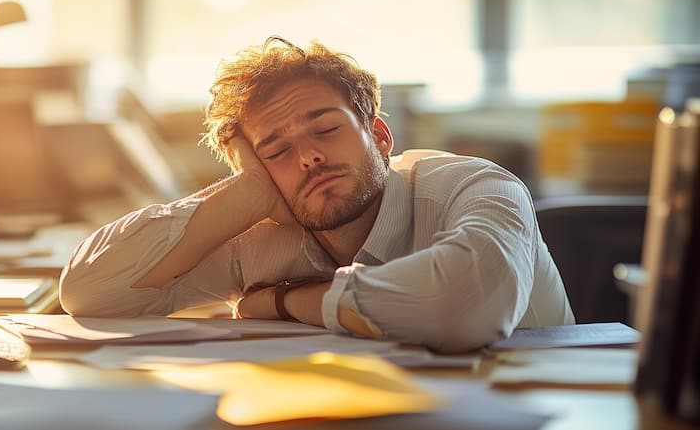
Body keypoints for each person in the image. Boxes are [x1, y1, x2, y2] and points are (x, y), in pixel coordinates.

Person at [59, 36, 574, 352]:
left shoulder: (477, 187)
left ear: (378, 136)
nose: (307, 158)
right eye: (277, 151)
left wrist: (285, 302)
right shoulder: (264, 235)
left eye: (325, 130)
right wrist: (249, 192)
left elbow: (461, 308)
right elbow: (91, 292)